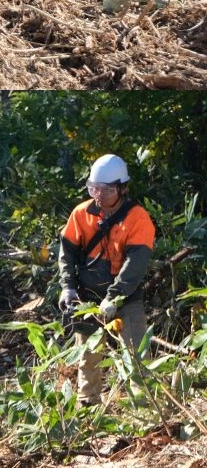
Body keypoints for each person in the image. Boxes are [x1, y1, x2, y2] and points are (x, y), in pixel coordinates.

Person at [58, 154, 156, 406]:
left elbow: (135, 265)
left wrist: (114, 297)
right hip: (88, 297)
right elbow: (66, 253)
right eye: (93, 188)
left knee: (136, 355)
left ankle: (143, 408)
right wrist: (67, 287)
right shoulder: (81, 214)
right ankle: (88, 403)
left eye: (106, 190)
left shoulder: (137, 218)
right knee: (88, 356)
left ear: (122, 188)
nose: (98, 195)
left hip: (126, 298)